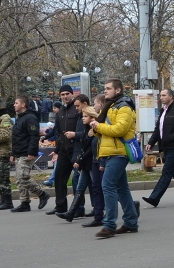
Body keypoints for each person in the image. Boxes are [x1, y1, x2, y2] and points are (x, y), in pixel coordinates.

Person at [89, 79, 139, 238]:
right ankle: (131, 222)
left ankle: (109, 225)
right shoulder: (109, 106)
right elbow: (104, 130)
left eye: (109, 88)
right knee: (121, 188)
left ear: (118, 90)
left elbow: (120, 129)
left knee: (107, 184)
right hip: (110, 151)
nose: (106, 91)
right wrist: (96, 128)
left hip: (119, 152)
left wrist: (99, 127)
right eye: (105, 88)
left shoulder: (124, 107)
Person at [142, 89, 174, 208]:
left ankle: (154, 198)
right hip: (166, 147)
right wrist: (151, 142)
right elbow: (158, 129)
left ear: (171, 96)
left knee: (167, 172)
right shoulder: (163, 110)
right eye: (161, 95)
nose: (161, 98)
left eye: (164, 95)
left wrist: (172, 137)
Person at [46, 85, 83, 216]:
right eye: (62, 94)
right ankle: (60, 206)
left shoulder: (77, 109)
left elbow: (83, 128)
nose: (65, 96)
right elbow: (58, 133)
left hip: (76, 149)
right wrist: (56, 150)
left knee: (77, 180)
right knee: (59, 178)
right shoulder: (60, 111)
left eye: (67, 94)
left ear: (72, 94)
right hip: (64, 150)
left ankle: (78, 208)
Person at [58, 106, 99, 222]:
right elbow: (83, 147)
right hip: (86, 163)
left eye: (85, 116)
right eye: (82, 116)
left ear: (92, 118)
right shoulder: (86, 129)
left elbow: (90, 149)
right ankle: (71, 213)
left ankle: (129, 205)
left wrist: (79, 161)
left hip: (92, 162)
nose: (83, 118)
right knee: (80, 188)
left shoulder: (93, 130)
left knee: (99, 187)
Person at [9, 96, 50, 212]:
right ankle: (24, 202)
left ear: (23, 105)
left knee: (23, 177)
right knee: (19, 179)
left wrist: (31, 152)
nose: (14, 105)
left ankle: (42, 194)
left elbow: (33, 136)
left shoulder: (30, 118)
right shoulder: (20, 118)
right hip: (19, 152)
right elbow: (16, 137)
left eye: (16, 103)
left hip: (27, 153)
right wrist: (13, 153)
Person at [81, 93, 106, 228]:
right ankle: (98, 216)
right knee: (96, 187)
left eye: (95, 103)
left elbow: (103, 142)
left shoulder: (103, 121)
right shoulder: (93, 125)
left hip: (103, 159)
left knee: (108, 187)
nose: (93, 105)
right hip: (95, 159)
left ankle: (130, 207)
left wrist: (102, 161)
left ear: (100, 104)